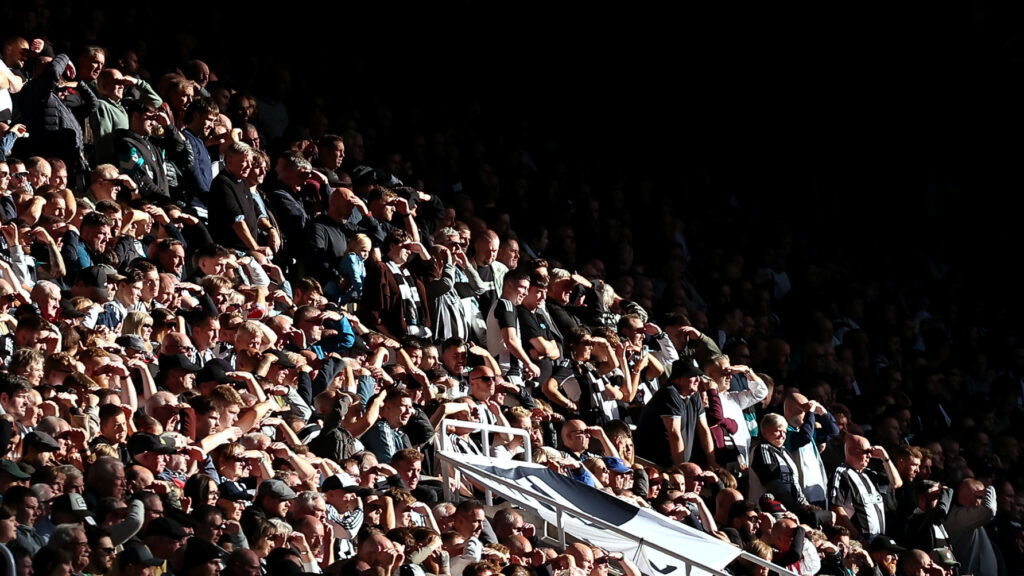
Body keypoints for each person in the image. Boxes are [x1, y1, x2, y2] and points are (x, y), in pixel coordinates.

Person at [634, 360, 716, 468]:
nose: (698, 380)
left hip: (675, 463)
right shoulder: (669, 394)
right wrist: (681, 470)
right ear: (678, 378)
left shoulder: (694, 394)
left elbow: (704, 429)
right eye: (692, 376)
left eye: (698, 376)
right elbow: (674, 433)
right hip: (656, 464)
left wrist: (712, 463)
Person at [829, 434, 902, 541]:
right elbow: (836, 508)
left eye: (870, 452)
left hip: (879, 540)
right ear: (852, 451)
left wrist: (885, 458)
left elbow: (896, 483)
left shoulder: (870, 475)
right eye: (866, 452)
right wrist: (857, 537)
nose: (870, 456)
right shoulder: (841, 473)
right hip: (860, 541)